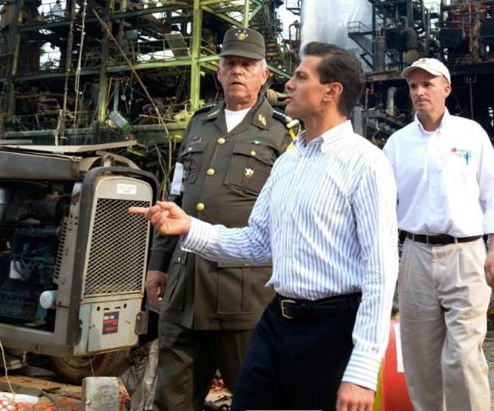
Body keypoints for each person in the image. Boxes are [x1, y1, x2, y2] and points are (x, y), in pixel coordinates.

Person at [132, 41, 398, 411]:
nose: (288, 84)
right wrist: (190, 226)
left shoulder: (365, 163)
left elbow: (381, 271)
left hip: (331, 327)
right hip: (277, 320)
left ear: (331, 92)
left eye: (301, 77)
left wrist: (363, 370)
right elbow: (258, 242)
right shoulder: (289, 161)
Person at [145, 26, 294, 411]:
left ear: (265, 74)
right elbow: (176, 195)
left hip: (243, 293)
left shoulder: (283, 132)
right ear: (218, 69)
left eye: (248, 64)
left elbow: (291, 214)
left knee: (255, 398)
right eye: (230, 63)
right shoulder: (200, 123)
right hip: (184, 287)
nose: (237, 71)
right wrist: (157, 265)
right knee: (171, 400)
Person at [383, 57, 494, 411]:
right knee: (421, 360)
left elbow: (491, 193)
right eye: (413, 86)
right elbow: (383, 202)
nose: (419, 92)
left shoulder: (471, 135)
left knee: (462, 357)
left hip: (466, 254)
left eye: (427, 84)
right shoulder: (397, 145)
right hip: (415, 254)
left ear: (446, 88)